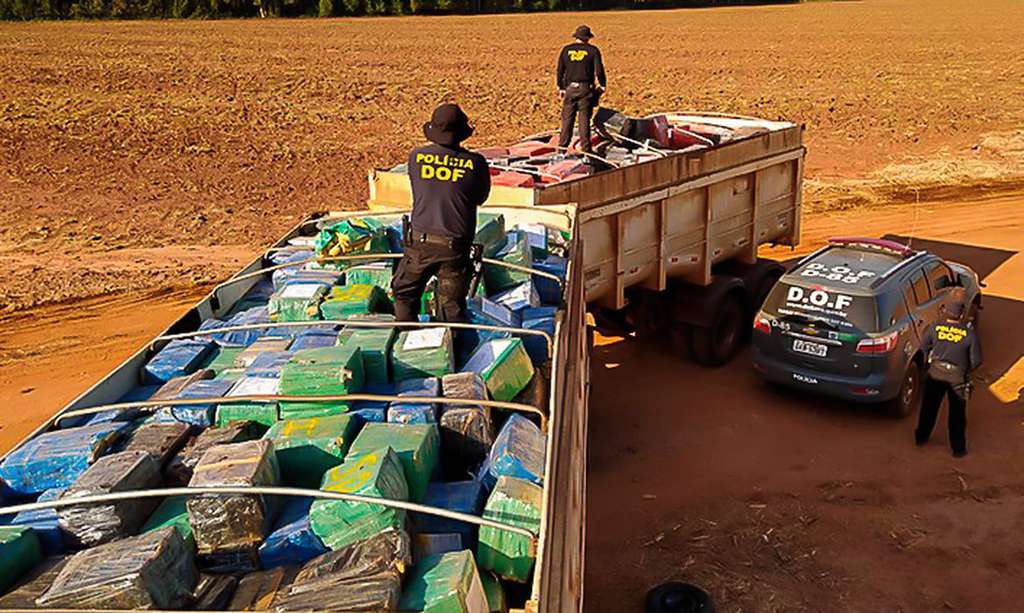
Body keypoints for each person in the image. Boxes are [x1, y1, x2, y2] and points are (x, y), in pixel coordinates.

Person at [391, 103, 491, 323]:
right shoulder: (476, 163)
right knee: (451, 306)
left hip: (420, 245)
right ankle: (449, 350)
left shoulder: (416, 157)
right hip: (454, 248)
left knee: (405, 294)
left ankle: (409, 343)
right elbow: (480, 198)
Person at [915, 291, 983, 457]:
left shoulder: (935, 328)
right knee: (957, 415)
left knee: (928, 409)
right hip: (957, 379)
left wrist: (930, 362)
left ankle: (921, 438)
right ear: (961, 315)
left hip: (935, 374)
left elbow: (923, 349)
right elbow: (976, 361)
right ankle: (958, 449)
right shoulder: (969, 335)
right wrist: (965, 370)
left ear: (947, 312)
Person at [556, 24, 607, 154]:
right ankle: (586, 150)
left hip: (570, 89)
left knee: (567, 120)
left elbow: (560, 70)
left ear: (576, 37)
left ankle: (562, 149)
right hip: (585, 89)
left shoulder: (566, 50)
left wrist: (561, 87)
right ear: (588, 38)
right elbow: (599, 70)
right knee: (584, 120)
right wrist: (602, 84)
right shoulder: (593, 50)